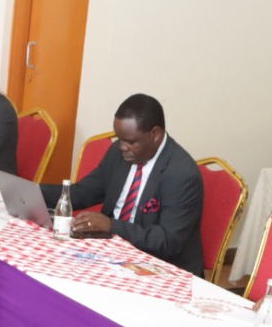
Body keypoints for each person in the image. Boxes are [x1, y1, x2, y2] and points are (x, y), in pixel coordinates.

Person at [40, 93, 205, 275]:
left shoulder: (181, 174)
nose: (122, 147)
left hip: (162, 267)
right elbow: (84, 192)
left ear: (155, 134)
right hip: (113, 251)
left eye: (131, 141)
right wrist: (36, 192)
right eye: (120, 139)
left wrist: (112, 226)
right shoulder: (119, 153)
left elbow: (167, 241)